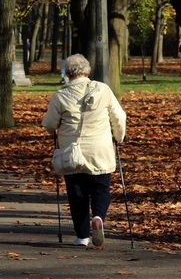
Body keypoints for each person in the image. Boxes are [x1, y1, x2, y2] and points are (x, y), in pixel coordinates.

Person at [42, 54, 126, 247]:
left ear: (68, 74)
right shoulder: (103, 90)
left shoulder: (61, 95)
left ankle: (82, 236)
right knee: (101, 188)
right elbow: (119, 116)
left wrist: (53, 133)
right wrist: (119, 137)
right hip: (100, 149)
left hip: (72, 152)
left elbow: (49, 123)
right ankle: (98, 216)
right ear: (87, 71)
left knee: (76, 193)